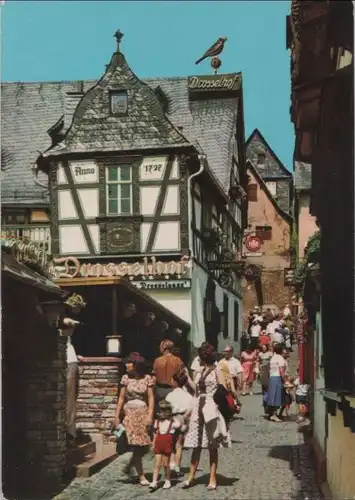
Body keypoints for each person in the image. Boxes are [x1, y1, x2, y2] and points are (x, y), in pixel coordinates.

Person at [182, 343, 229, 490]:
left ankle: (212, 477)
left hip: (211, 408)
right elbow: (195, 392)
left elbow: (223, 389)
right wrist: (189, 410)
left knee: (212, 444)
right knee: (196, 444)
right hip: (198, 408)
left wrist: (215, 403)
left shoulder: (217, 370)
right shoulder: (200, 371)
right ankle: (191, 476)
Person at [114, 353, 155, 486]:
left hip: (142, 414)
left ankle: (131, 466)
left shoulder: (147, 378)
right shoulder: (125, 378)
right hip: (130, 414)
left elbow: (151, 398)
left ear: (136, 365)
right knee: (136, 446)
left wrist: (150, 415)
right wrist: (116, 416)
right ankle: (141, 475)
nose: (126, 365)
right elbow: (121, 398)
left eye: (129, 362)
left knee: (144, 446)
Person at [59, 316, 84, 446]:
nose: (72, 330)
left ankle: (70, 432)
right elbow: (66, 322)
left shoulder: (67, 339)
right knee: (68, 400)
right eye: (71, 328)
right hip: (68, 364)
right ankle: (68, 433)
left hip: (71, 363)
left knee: (70, 399)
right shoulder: (59, 334)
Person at [149, 400, 183, 491]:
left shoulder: (172, 422)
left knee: (165, 464)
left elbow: (179, 425)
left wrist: (173, 416)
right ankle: (154, 481)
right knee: (157, 464)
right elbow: (155, 434)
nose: (158, 413)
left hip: (167, 443)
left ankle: (167, 480)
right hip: (158, 443)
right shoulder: (157, 421)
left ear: (167, 411)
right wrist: (153, 443)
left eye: (161, 411)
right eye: (158, 411)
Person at [166, 371, 194, 476]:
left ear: (175, 382)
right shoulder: (187, 396)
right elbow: (191, 408)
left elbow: (167, 409)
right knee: (179, 444)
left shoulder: (170, 395)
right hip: (183, 418)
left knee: (171, 443)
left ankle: (172, 463)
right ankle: (177, 465)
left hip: (172, 418)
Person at [153, 339, 184, 406]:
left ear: (164, 348)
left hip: (160, 391)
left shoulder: (157, 361)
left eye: (160, 347)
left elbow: (154, 377)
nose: (159, 349)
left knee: (161, 412)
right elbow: (181, 376)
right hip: (173, 390)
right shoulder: (178, 360)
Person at [265, 343, 287, 422]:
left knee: (272, 396)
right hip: (277, 378)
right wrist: (285, 380)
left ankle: (272, 414)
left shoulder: (273, 357)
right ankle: (274, 415)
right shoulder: (280, 358)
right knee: (277, 396)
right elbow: (281, 370)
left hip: (271, 377)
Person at [258, 344, 272, 415]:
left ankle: (269, 405)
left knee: (269, 389)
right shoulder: (260, 354)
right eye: (262, 348)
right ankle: (265, 405)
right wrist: (258, 369)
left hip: (269, 370)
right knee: (264, 389)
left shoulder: (270, 353)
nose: (263, 349)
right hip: (263, 372)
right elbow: (258, 361)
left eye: (265, 347)